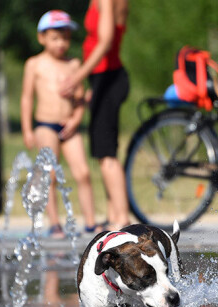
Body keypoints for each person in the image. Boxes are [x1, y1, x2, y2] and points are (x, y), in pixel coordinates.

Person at [21, 10, 98, 238]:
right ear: (41, 37)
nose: (61, 43)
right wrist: (27, 128)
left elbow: (80, 98)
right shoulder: (34, 64)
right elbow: (26, 98)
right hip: (45, 124)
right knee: (50, 174)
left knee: (83, 172)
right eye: (55, 38)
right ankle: (55, 223)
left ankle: (91, 223)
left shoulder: (74, 64)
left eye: (65, 38)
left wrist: (76, 119)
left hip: (69, 126)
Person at [59, 0, 130, 230]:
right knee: (104, 152)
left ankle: (121, 218)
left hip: (109, 78)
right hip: (103, 79)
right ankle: (113, 216)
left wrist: (77, 77)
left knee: (106, 154)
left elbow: (106, 41)